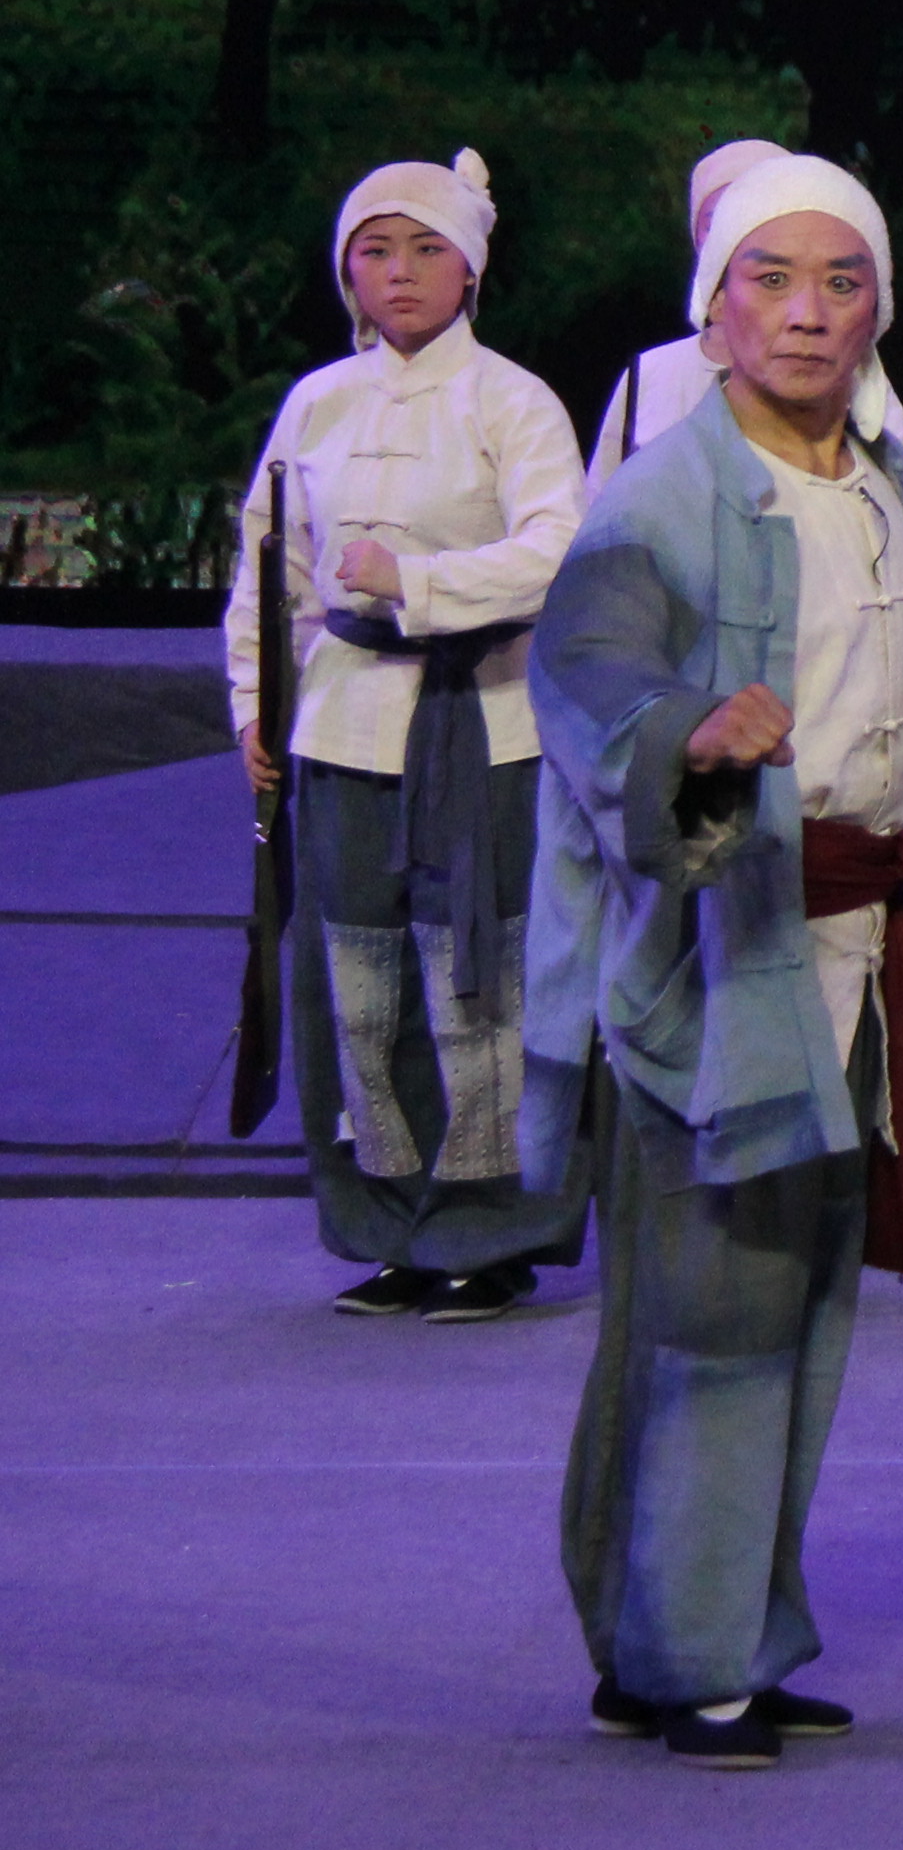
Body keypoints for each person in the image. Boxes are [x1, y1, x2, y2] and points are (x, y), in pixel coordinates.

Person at [520, 155, 903, 1769]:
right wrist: (685, 735)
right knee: (710, 1309)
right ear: (712, 311)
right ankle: (679, 1651)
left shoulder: (885, 478)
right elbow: (586, 668)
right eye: (771, 278)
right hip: (713, 952)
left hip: (845, 941)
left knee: (799, 1302)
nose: (808, 311)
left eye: (841, 279)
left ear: (878, 308)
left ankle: (717, 1633)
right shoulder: (662, 495)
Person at [228, 149, 589, 1318]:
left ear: (470, 267)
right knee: (359, 975)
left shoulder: (514, 401)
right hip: (343, 727)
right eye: (375, 251)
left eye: (426, 248)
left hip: (480, 724)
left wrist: (420, 583)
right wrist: (256, 704)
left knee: (479, 975)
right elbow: (270, 572)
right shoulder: (316, 403)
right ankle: (390, 1223)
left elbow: (559, 552)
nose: (399, 272)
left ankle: (492, 1230)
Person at [586, 138, 901, 487]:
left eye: (839, 284)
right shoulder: (650, 373)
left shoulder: (859, 386)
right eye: (719, 221)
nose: (807, 317)